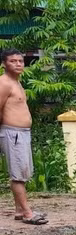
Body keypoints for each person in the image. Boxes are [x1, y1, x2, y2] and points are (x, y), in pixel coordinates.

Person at [0, 49, 46, 225]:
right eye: (13, 61)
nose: (18, 64)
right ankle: (27, 213)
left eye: (20, 61)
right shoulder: (4, 83)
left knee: (23, 172)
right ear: (4, 64)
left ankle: (19, 210)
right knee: (18, 174)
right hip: (12, 133)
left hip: (21, 133)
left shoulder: (17, 83)